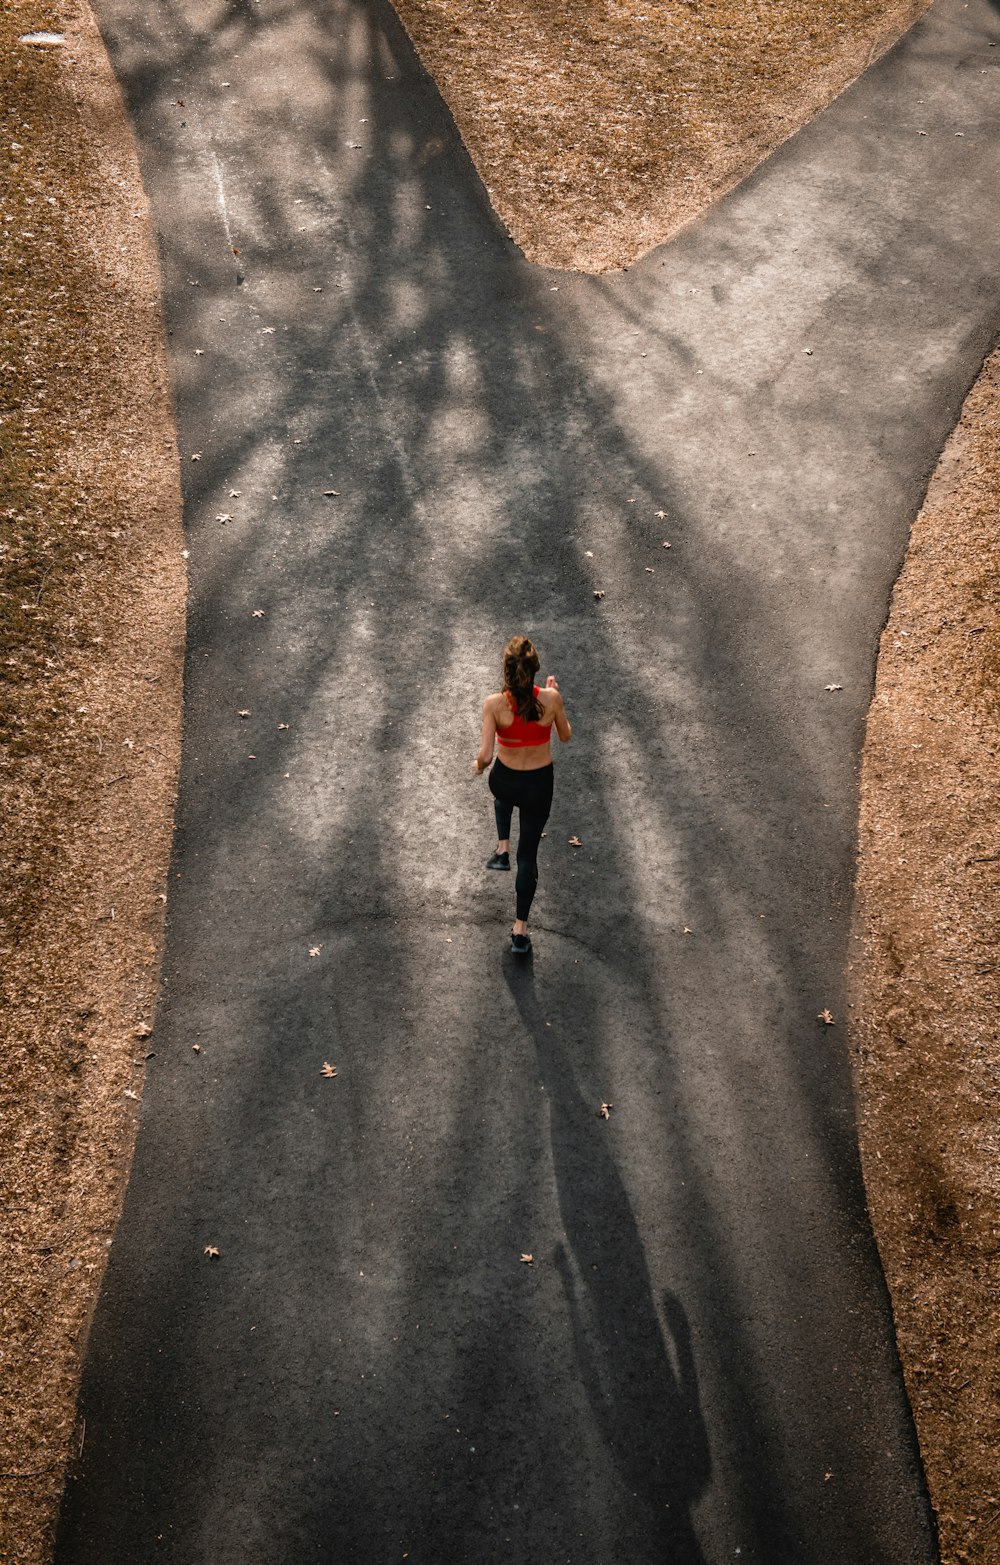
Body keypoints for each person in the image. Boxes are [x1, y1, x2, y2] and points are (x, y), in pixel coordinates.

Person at [472, 635, 572, 954]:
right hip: (538, 786)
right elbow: (565, 736)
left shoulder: (494, 705)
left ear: (507, 670)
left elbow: (486, 756)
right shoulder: (551, 699)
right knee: (528, 856)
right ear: (535, 669)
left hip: (506, 781)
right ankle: (520, 931)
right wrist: (554, 695)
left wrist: (476, 765)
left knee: (502, 793)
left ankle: (501, 848)